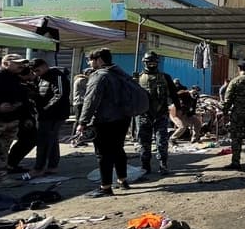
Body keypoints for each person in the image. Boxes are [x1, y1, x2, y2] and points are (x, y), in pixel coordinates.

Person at [77, 48, 132, 197]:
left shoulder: (99, 76)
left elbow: (91, 100)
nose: (89, 62)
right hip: (124, 119)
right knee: (118, 149)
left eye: (91, 60)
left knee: (103, 154)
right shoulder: (121, 74)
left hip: (105, 120)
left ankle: (105, 186)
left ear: (99, 60)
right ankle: (123, 180)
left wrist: (82, 122)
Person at [0, 54, 31, 187]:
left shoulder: (18, 80)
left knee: (2, 151)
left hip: (11, 121)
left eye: (22, 63)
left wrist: (25, 117)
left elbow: (24, 100)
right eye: (17, 63)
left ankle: (0, 178)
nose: (21, 66)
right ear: (6, 63)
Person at [136, 52, 179, 175]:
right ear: (144, 63)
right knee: (144, 142)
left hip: (161, 114)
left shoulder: (165, 77)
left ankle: (163, 165)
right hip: (143, 115)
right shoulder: (138, 78)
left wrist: (178, 108)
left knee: (161, 142)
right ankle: (145, 166)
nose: (152, 64)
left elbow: (174, 94)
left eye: (154, 62)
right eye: (149, 62)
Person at [29, 58, 71, 176]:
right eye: (34, 71)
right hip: (45, 114)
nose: (36, 73)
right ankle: (51, 166)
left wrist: (46, 108)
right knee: (50, 140)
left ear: (44, 66)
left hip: (53, 114)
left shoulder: (56, 76)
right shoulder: (41, 78)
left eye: (37, 70)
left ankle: (39, 167)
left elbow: (60, 95)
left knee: (45, 141)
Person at [5, 66, 39, 173]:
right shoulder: (19, 86)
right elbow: (22, 104)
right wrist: (27, 118)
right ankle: (10, 164)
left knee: (27, 140)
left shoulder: (24, 85)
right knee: (28, 140)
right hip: (21, 118)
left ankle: (10, 163)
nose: (32, 75)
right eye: (30, 73)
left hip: (23, 117)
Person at [71, 69, 93, 138]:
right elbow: (90, 89)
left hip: (79, 102)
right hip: (80, 102)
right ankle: (74, 138)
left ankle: (79, 138)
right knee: (79, 121)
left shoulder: (80, 79)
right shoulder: (82, 80)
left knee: (80, 121)